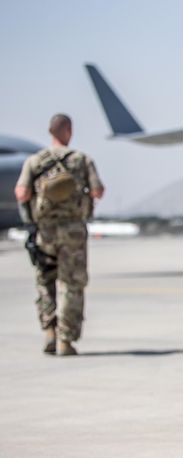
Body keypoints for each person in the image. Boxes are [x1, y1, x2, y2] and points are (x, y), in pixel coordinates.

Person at [14, 114, 104, 356]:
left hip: (45, 233)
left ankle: (49, 331)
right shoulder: (81, 160)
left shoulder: (35, 161)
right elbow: (97, 191)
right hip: (73, 232)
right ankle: (66, 339)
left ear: (50, 131)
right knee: (72, 284)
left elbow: (21, 193)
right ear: (69, 130)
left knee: (45, 281)